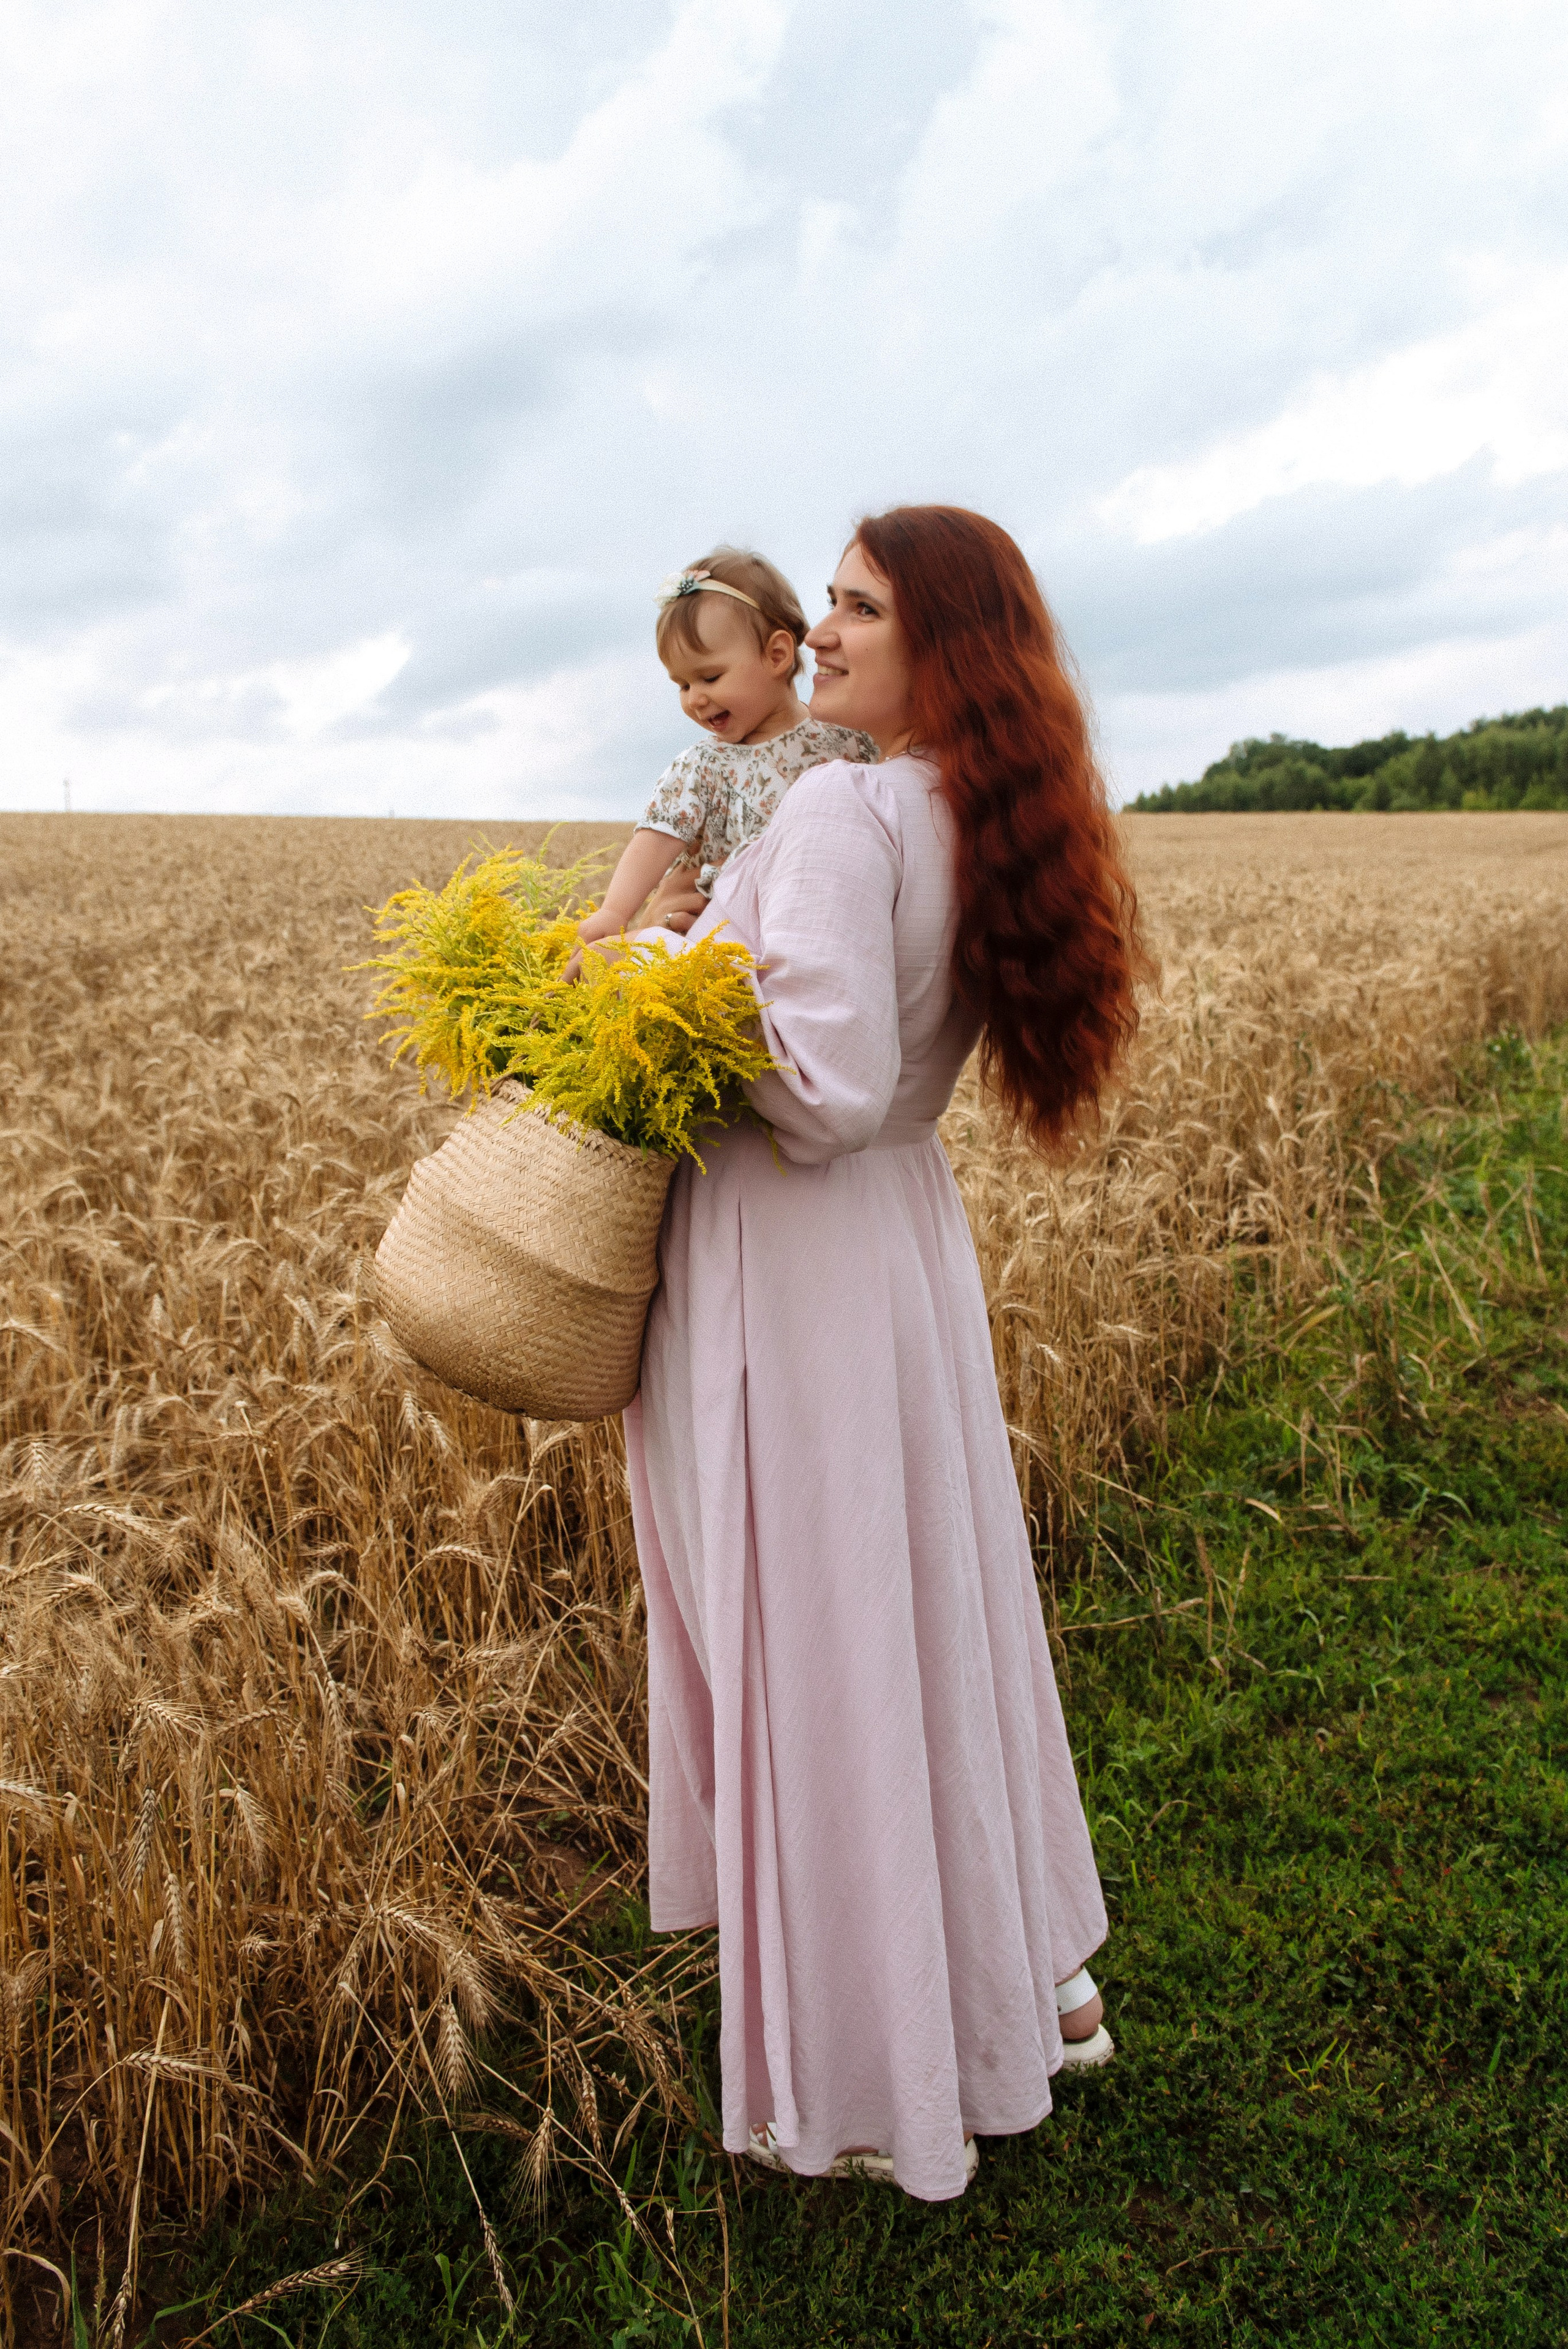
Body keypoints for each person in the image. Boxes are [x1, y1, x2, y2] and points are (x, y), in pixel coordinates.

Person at [622, 505, 1145, 2201]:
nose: (823, 629)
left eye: (857, 607)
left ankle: (873, 2076)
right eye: (828, 604)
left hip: (797, 1257)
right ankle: (1024, 1984)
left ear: (941, 646)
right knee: (923, 1612)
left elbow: (829, 1083)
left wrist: (647, 989)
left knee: (829, 1641)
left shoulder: (844, 806)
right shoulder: (954, 803)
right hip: (897, 1258)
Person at [570, 547, 875, 959]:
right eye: (682, 685)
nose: (696, 699)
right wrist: (614, 912)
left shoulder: (847, 741)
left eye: (709, 676)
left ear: (777, 655)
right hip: (721, 948)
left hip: (818, 934)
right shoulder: (703, 766)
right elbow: (657, 838)